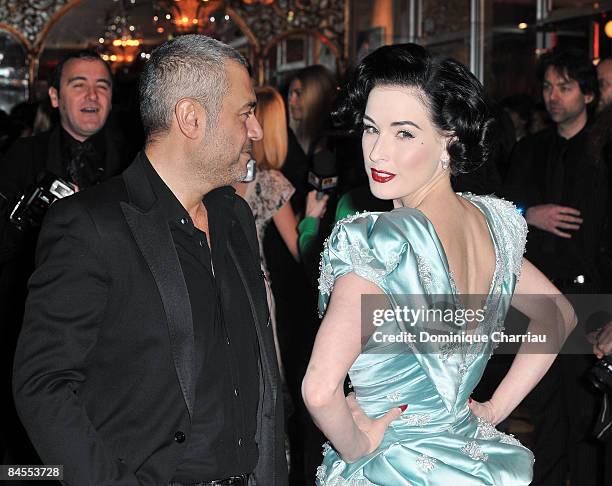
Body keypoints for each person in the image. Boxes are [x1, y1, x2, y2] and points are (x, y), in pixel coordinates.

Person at [12, 35, 287, 486]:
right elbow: (43, 386)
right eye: (246, 113)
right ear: (190, 118)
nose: (256, 130)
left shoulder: (234, 214)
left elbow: (259, 376)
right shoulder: (90, 225)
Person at [302, 43, 576, 485]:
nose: (376, 152)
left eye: (404, 133)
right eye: (372, 129)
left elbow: (318, 391)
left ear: (449, 140)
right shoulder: (496, 224)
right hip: (471, 461)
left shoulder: (379, 240)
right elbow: (558, 315)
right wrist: (493, 410)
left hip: (392, 468)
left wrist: (358, 446)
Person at [0, 50, 132, 467]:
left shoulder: (135, 159)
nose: (92, 94)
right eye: (79, 84)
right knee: (36, 452)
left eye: (102, 85)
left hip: (115, 327)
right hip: (33, 321)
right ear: (55, 97)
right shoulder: (22, 158)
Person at [504, 48, 606, 485]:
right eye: (547, 87)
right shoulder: (528, 150)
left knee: (586, 418)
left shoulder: (603, 152)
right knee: (544, 414)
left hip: (592, 297)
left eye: (564, 87)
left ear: (587, 93)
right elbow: (498, 210)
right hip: (540, 299)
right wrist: (531, 212)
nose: (553, 97)